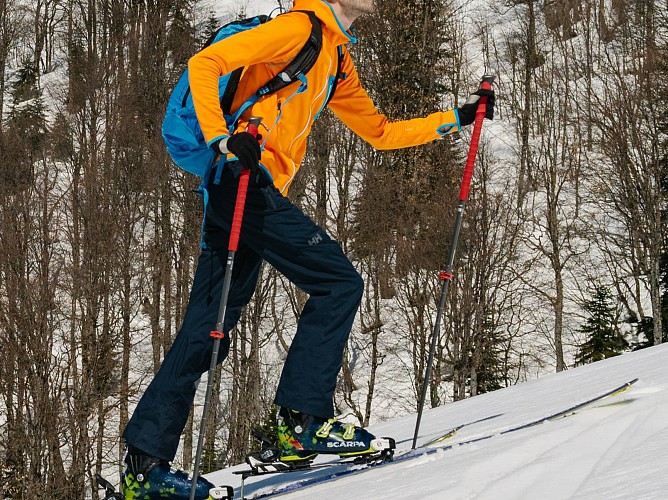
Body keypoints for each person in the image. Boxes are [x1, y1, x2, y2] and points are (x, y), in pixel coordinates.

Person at [121, 0, 495, 497]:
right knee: (338, 283)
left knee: (206, 329)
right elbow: (204, 64)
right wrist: (221, 140)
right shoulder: (298, 30)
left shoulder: (336, 58)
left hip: (240, 186)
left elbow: (380, 133)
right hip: (240, 178)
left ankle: (144, 467)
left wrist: (457, 118)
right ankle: (302, 423)